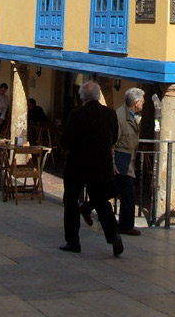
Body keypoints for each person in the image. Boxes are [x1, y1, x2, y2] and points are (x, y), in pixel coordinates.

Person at [59, 81, 123, 257]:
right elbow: (114, 138)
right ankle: (114, 236)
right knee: (102, 202)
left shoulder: (77, 114)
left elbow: (65, 141)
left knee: (71, 201)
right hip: (101, 165)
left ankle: (73, 241)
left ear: (82, 97)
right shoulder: (110, 113)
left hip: (77, 165)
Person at [80, 87, 144, 236]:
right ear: (136, 102)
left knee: (113, 190)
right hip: (121, 161)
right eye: (142, 101)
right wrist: (113, 164)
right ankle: (125, 226)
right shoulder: (119, 117)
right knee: (128, 193)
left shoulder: (133, 116)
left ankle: (87, 207)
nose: (144, 103)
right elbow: (112, 142)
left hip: (127, 160)